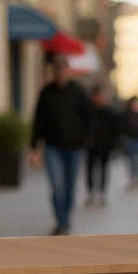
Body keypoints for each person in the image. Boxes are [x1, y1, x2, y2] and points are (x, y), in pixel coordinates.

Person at [29, 54, 92, 235]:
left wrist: (86, 138)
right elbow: (38, 120)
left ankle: (66, 217)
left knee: (70, 186)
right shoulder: (46, 93)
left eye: (63, 69)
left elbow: (88, 117)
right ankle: (61, 221)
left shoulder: (78, 92)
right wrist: (34, 148)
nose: (60, 73)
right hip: (52, 147)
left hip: (75, 147)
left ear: (68, 71)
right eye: (56, 70)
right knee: (57, 184)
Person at [86, 85, 118, 207]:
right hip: (91, 145)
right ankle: (91, 192)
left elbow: (115, 129)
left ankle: (102, 193)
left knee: (104, 169)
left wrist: (113, 143)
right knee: (90, 169)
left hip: (105, 146)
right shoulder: (89, 111)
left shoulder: (109, 112)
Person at [119, 96, 138, 190]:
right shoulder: (126, 114)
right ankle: (133, 179)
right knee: (131, 161)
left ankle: (137, 178)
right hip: (130, 140)